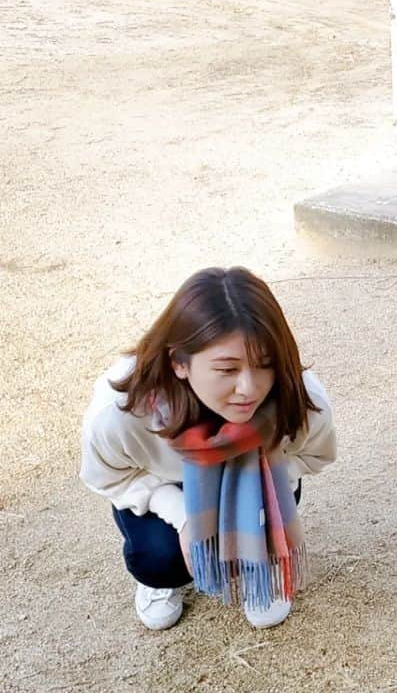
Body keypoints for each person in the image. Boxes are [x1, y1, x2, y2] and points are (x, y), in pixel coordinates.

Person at [80, 266, 336, 631]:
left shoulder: (302, 399)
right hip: (164, 486)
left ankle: (257, 566)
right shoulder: (122, 411)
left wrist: (256, 489)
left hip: (254, 473)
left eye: (265, 365)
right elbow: (108, 477)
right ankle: (159, 581)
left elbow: (313, 455)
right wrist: (182, 515)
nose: (249, 388)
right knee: (160, 556)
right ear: (179, 364)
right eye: (227, 369)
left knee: (260, 499)